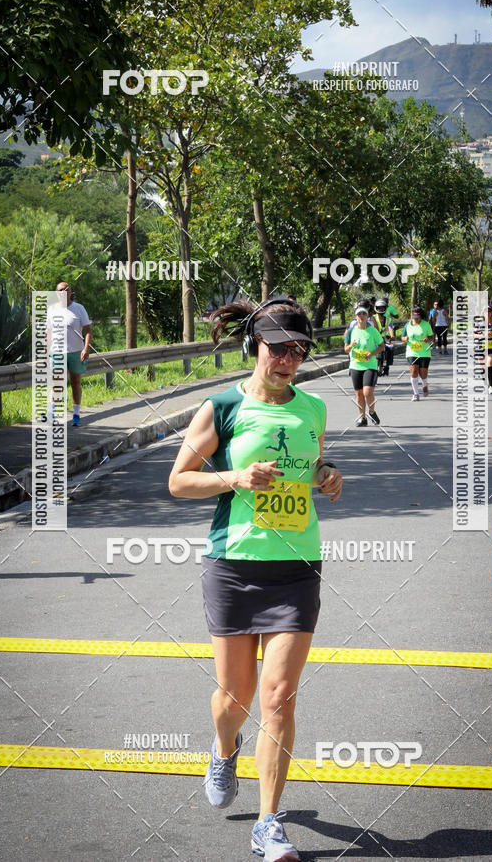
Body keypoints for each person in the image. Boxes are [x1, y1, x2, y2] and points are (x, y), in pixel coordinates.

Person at [168, 298, 343, 862]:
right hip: (234, 566)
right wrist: (237, 477)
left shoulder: (313, 408)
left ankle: (269, 822)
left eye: (298, 350)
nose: (289, 360)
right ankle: (224, 748)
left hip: (296, 566)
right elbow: (179, 482)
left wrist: (328, 475)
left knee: (279, 698)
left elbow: (313, 464)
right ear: (254, 347)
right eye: (278, 349)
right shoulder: (220, 407)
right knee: (235, 698)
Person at [45, 282, 91, 426]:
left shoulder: (79, 308)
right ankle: (52, 413)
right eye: (60, 290)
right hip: (57, 352)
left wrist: (86, 348)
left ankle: (76, 414)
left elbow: (88, 330)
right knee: (57, 383)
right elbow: (48, 332)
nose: (63, 292)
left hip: (76, 352)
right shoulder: (51, 310)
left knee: (76, 382)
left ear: (71, 292)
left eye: (66, 289)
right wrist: (45, 349)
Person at [343, 305, 384, 425]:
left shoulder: (372, 331)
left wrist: (371, 354)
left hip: (370, 365)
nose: (361, 316)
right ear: (356, 317)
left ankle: (371, 412)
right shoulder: (351, 331)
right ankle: (362, 418)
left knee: (367, 392)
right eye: (359, 314)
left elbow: (382, 346)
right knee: (359, 394)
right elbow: (345, 349)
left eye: (364, 314)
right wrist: (351, 346)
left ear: (367, 316)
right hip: (355, 365)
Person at [401, 306, 433, 400]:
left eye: (418, 318)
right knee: (414, 372)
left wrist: (427, 339)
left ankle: (424, 384)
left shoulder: (426, 325)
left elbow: (431, 337)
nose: (416, 320)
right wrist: (405, 339)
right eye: (414, 318)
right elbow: (402, 337)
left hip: (424, 352)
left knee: (423, 373)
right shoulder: (407, 325)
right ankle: (416, 394)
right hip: (412, 352)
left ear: (421, 316)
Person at [373, 298, 395, 376]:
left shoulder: (388, 318)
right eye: (379, 307)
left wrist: (392, 336)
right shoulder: (373, 318)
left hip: (385, 338)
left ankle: (387, 365)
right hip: (375, 339)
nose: (380, 309)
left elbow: (390, 327)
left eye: (382, 307)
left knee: (391, 348)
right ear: (376, 308)